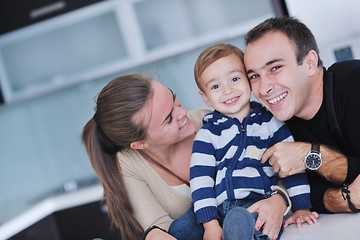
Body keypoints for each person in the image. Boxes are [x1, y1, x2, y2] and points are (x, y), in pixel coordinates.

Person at [82, 73, 292, 240]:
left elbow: (280, 162)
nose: (182, 113)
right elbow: (160, 230)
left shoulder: (212, 122)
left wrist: (279, 199)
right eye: (168, 119)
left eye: (173, 99)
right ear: (140, 144)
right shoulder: (129, 164)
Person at [190, 43, 318, 240]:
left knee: (257, 225)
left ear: (249, 80)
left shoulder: (271, 123)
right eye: (216, 86)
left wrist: (302, 208)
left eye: (234, 79)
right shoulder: (207, 134)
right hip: (215, 209)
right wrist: (210, 225)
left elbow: (292, 167)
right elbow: (201, 182)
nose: (228, 90)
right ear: (205, 98)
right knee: (181, 229)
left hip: (257, 202)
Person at [244, 16, 360, 215]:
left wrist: (308, 154)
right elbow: (304, 194)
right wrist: (343, 199)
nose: (264, 88)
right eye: (254, 76)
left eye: (275, 67)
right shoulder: (270, 123)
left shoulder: (353, 82)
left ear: (309, 63)